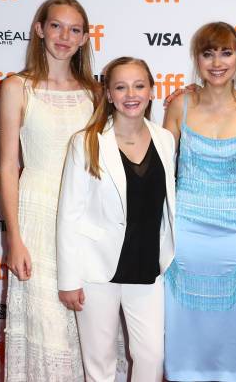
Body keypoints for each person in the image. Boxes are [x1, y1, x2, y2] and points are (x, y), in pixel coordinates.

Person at [56, 57, 176, 382]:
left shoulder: (166, 139)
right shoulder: (87, 142)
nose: (131, 94)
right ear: (108, 94)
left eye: (139, 85)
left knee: (152, 357)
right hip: (97, 271)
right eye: (121, 87)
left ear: (152, 90)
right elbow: (69, 214)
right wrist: (69, 279)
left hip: (148, 267)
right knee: (100, 363)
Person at [0, 0, 97, 381]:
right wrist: (14, 240)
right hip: (36, 217)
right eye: (56, 26)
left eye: (74, 29)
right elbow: (8, 167)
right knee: (48, 327)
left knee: (86, 330)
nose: (64, 36)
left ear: (85, 38)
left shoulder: (95, 92)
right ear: (40, 29)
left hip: (85, 221)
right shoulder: (17, 87)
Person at [162, 22, 236, 382]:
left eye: (225, 52)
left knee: (234, 332)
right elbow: (156, 168)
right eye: (208, 53)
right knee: (184, 329)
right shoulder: (179, 106)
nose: (217, 62)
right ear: (197, 58)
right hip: (186, 235)